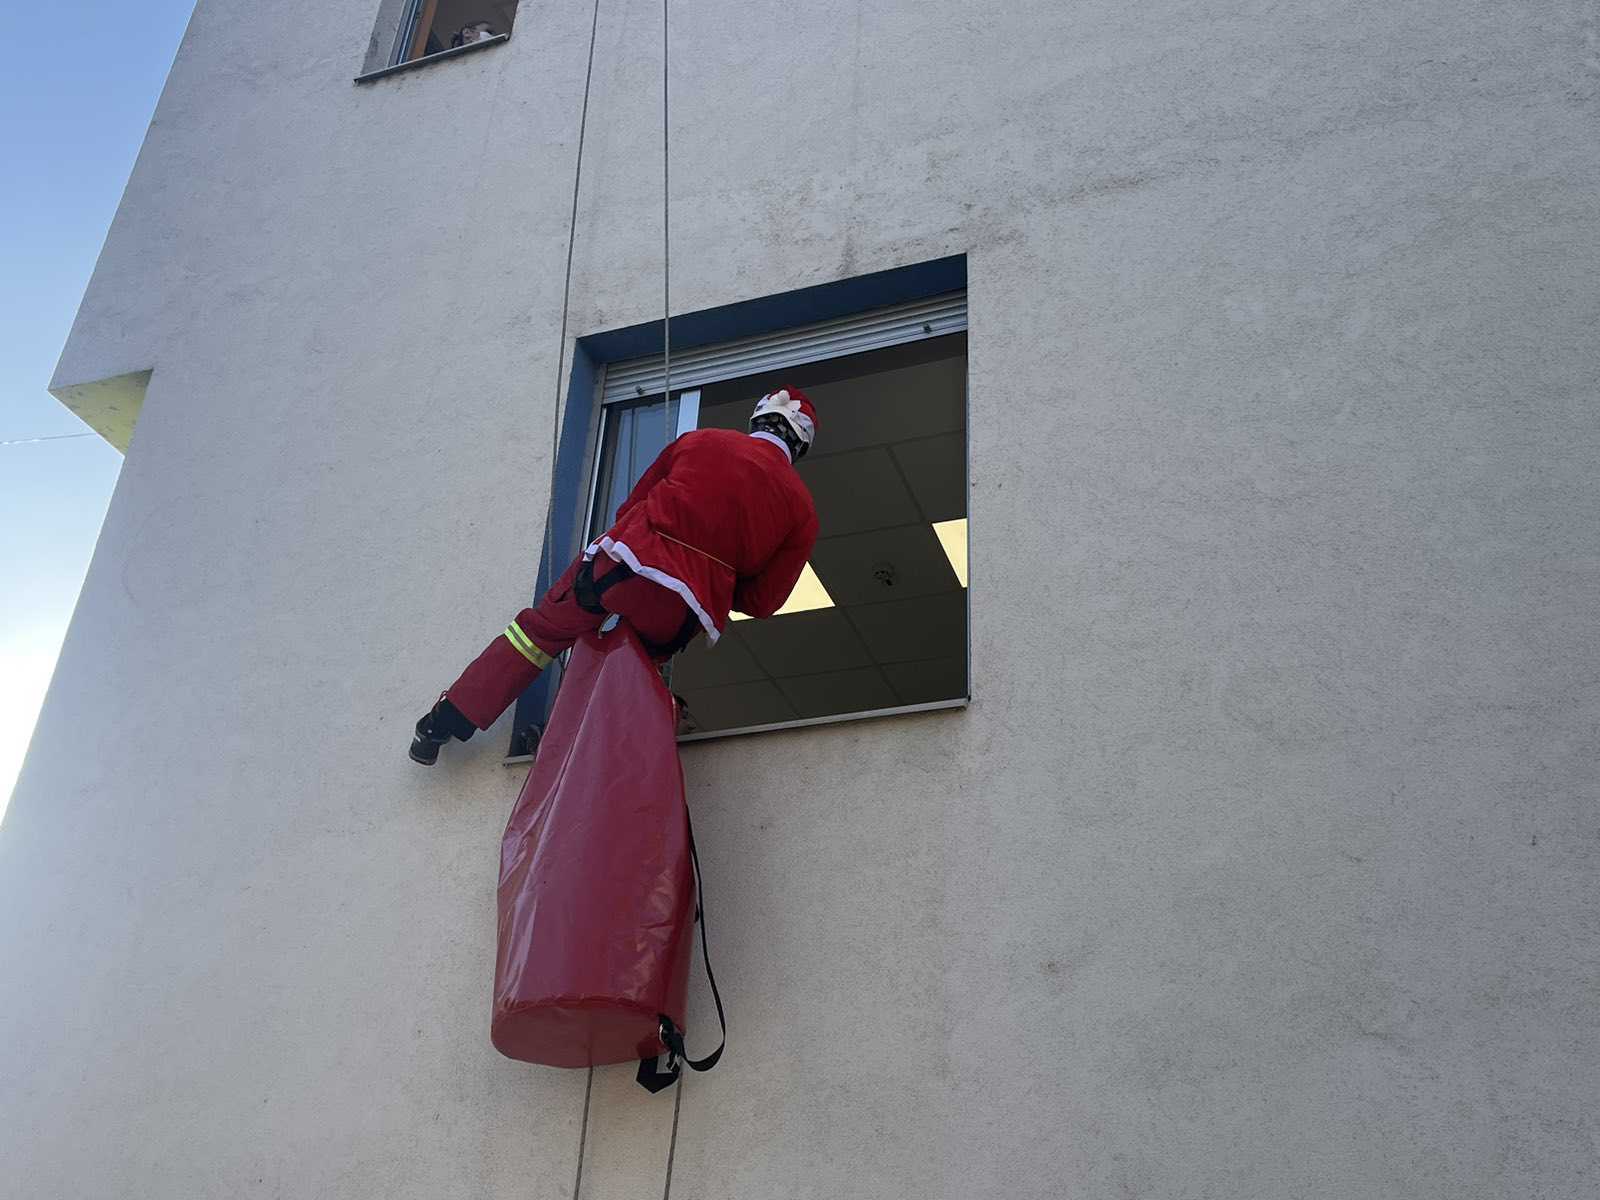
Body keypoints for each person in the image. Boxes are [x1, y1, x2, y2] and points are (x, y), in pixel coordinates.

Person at [410, 387, 820, 763]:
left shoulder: (699, 441)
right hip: (683, 609)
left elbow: (632, 504)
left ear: (757, 419)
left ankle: (445, 721)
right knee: (631, 669)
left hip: (623, 562)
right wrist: (722, 574)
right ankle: (562, 740)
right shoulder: (801, 509)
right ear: (800, 445)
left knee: (539, 633)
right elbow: (763, 603)